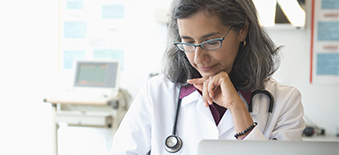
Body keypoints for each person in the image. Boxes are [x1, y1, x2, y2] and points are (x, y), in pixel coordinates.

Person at [108, 0, 305, 154]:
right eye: (188, 43)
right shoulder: (156, 93)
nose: (198, 58)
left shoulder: (284, 101)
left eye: (211, 42)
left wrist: (238, 109)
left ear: (243, 29)